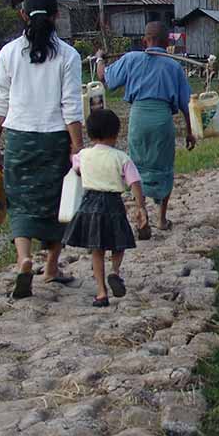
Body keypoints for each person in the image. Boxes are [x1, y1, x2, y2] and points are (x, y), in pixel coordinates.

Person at [0, 0, 83, 299]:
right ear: (57, 16)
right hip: (55, 140)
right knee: (60, 204)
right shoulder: (68, 55)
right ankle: (52, 267)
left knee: (21, 203)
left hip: (19, 139)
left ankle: (23, 259)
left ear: (23, 15)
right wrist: (77, 147)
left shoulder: (9, 53)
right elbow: (71, 107)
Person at [98, 21, 195, 232]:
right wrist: (190, 132)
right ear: (168, 43)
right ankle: (161, 218)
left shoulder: (132, 58)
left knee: (136, 166)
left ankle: (141, 210)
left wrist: (99, 59)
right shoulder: (173, 65)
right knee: (164, 167)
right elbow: (186, 105)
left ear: (144, 41)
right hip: (162, 120)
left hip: (139, 118)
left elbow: (104, 77)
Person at [62, 109, 147, 307]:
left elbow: (76, 169)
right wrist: (140, 207)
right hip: (113, 203)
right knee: (120, 242)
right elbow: (135, 182)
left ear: (90, 134)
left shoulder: (83, 155)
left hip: (89, 204)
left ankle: (101, 293)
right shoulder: (121, 158)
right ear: (116, 134)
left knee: (96, 250)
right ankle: (115, 271)